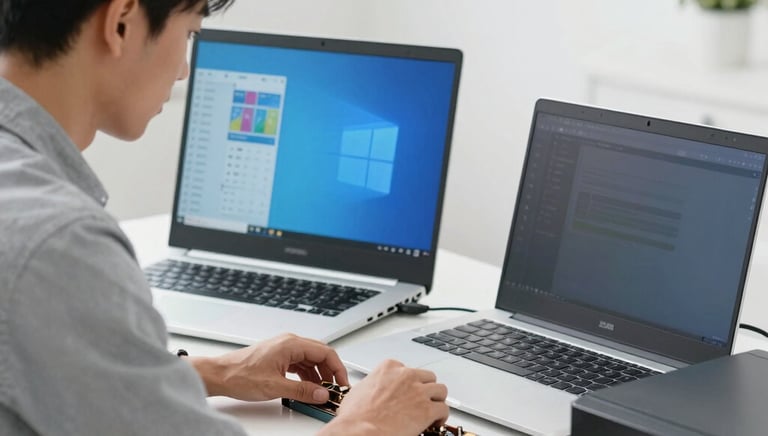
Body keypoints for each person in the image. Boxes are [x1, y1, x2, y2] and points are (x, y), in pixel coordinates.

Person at [0, 0, 449, 434]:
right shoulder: (61, 245)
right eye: (190, 33)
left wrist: (211, 372)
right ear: (121, 21)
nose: (184, 70)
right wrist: (371, 422)